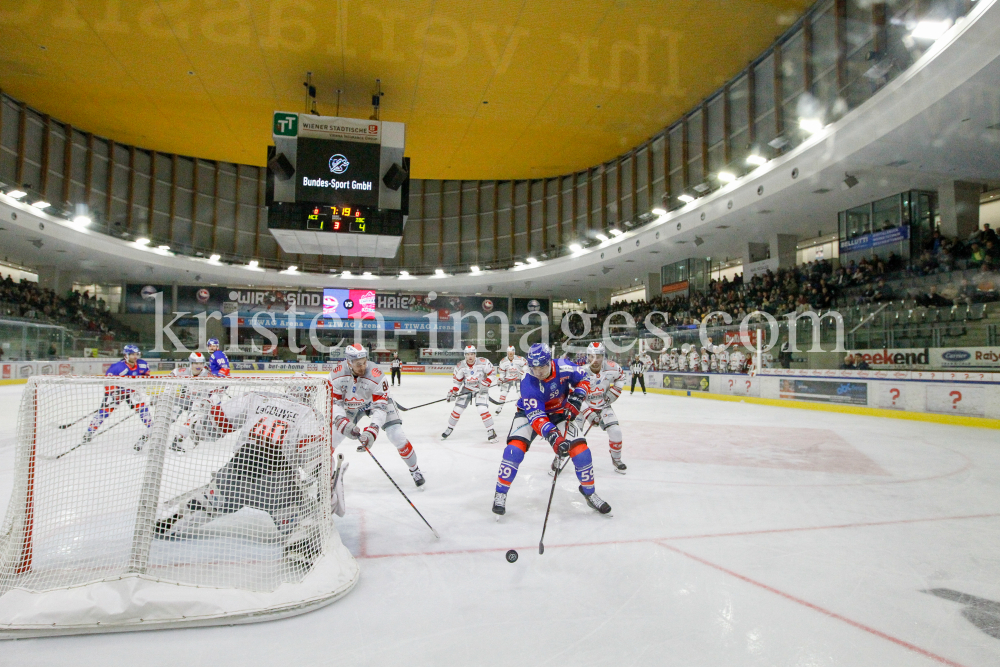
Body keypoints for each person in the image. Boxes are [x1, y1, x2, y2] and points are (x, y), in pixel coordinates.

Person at [153, 382, 336, 570]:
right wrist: (326, 482)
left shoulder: (256, 397)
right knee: (307, 519)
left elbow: (216, 420)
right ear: (311, 395)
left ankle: (169, 521)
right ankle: (301, 547)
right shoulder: (310, 414)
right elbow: (314, 456)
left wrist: (196, 428)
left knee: (206, 503)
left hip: (235, 474)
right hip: (277, 486)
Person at [492, 343, 611, 516]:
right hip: (529, 414)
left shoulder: (564, 366)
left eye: (542, 366)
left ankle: (589, 492)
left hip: (559, 412)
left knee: (581, 451)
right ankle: (500, 493)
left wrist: (578, 397)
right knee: (513, 451)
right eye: (534, 368)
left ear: (550, 362)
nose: (538, 372)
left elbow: (584, 378)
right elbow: (537, 417)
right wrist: (554, 437)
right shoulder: (528, 381)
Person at [328, 344, 425, 487]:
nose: (363, 367)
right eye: (358, 364)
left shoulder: (376, 375)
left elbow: (380, 407)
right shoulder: (336, 375)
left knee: (397, 435)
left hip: (375, 403)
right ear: (349, 362)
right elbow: (335, 403)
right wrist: (341, 421)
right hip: (351, 406)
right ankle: (325, 474)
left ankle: (414, 469)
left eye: (365, 362)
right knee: (332, 438)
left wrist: (373, 430)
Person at [81, 344, 152, 452]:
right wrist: (114, 394)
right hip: (117, 391)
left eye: (136, 354)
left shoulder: (142, 364)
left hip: (132, 391)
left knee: (142, 408)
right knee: (105, 411)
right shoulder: (117, 367)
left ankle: (151, 427)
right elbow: (108, 383)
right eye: (132, 354)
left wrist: (143, 381)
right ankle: (89, 431)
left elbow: (146, 374)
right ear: (126, 355)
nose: (135, 357)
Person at [577, 342, 627, 474]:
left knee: (616, 431)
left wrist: (614, 392)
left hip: (603, 404)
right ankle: (559, 458)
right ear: (587, 356)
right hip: (583, 407)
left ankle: (616, 459)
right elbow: (575, 394)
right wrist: (588, 413)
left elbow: (621, 376)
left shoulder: (612, 368)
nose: (595, 360)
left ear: (603, 356)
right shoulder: (581, 371)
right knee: (572, 435)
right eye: (592, 356)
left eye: (598, 356)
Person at [442, 345, 498, 443]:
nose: (470, 357)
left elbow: (493, 373)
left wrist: (488, 381)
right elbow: (457, 382)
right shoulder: (460, 366)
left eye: (472, 354)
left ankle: (491, 430)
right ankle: (450, 428)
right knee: (457, 409)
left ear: (475, 354)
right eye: (468, 354)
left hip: (481, 389)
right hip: (466, 389)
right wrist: (453, 392)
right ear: (465, 355)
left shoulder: (483, 362)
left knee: (482, 409)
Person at [167, 351, 214, 452]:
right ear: (191, 363)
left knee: (190, 421)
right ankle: (147, 438)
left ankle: (177, 443)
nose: (199, 366)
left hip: (197, 402)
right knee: (169, 418)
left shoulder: (208, 375)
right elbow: (171, 375)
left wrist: (210, 401)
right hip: (182, 400)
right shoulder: (182, 371)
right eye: (196, 363)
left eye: (201, 363)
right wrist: (167, 392)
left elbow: (212, 392)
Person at [495, 345, 527, 416]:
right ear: (507, 352)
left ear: (514, 352)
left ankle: (524, 407)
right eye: (509, 352)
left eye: (512, 352)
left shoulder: (520, 359)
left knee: (520, 394)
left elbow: (526, 365)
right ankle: (499, 407)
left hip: (518, 379)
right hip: (508, 379)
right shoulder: (503, 361)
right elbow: (502, 372)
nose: (510, 353)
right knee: (503, 393)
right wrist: (501, 379)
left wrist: (522, 372)